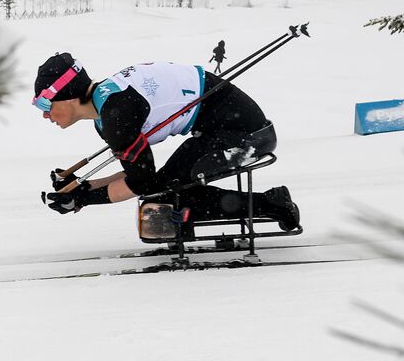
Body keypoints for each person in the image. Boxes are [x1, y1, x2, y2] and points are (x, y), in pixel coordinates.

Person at [33, 52, 299, 231]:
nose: (44, 114)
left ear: (68, 95)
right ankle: (270, 203)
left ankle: (273, 204)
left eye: (44, 102)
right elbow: (135, 173)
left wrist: (83, 198)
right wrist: (82, 185)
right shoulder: (106, 111)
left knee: (167, 193)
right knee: (163, 187)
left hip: (246, 135)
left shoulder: (115, 114)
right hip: (219, 128)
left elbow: (141, 183)